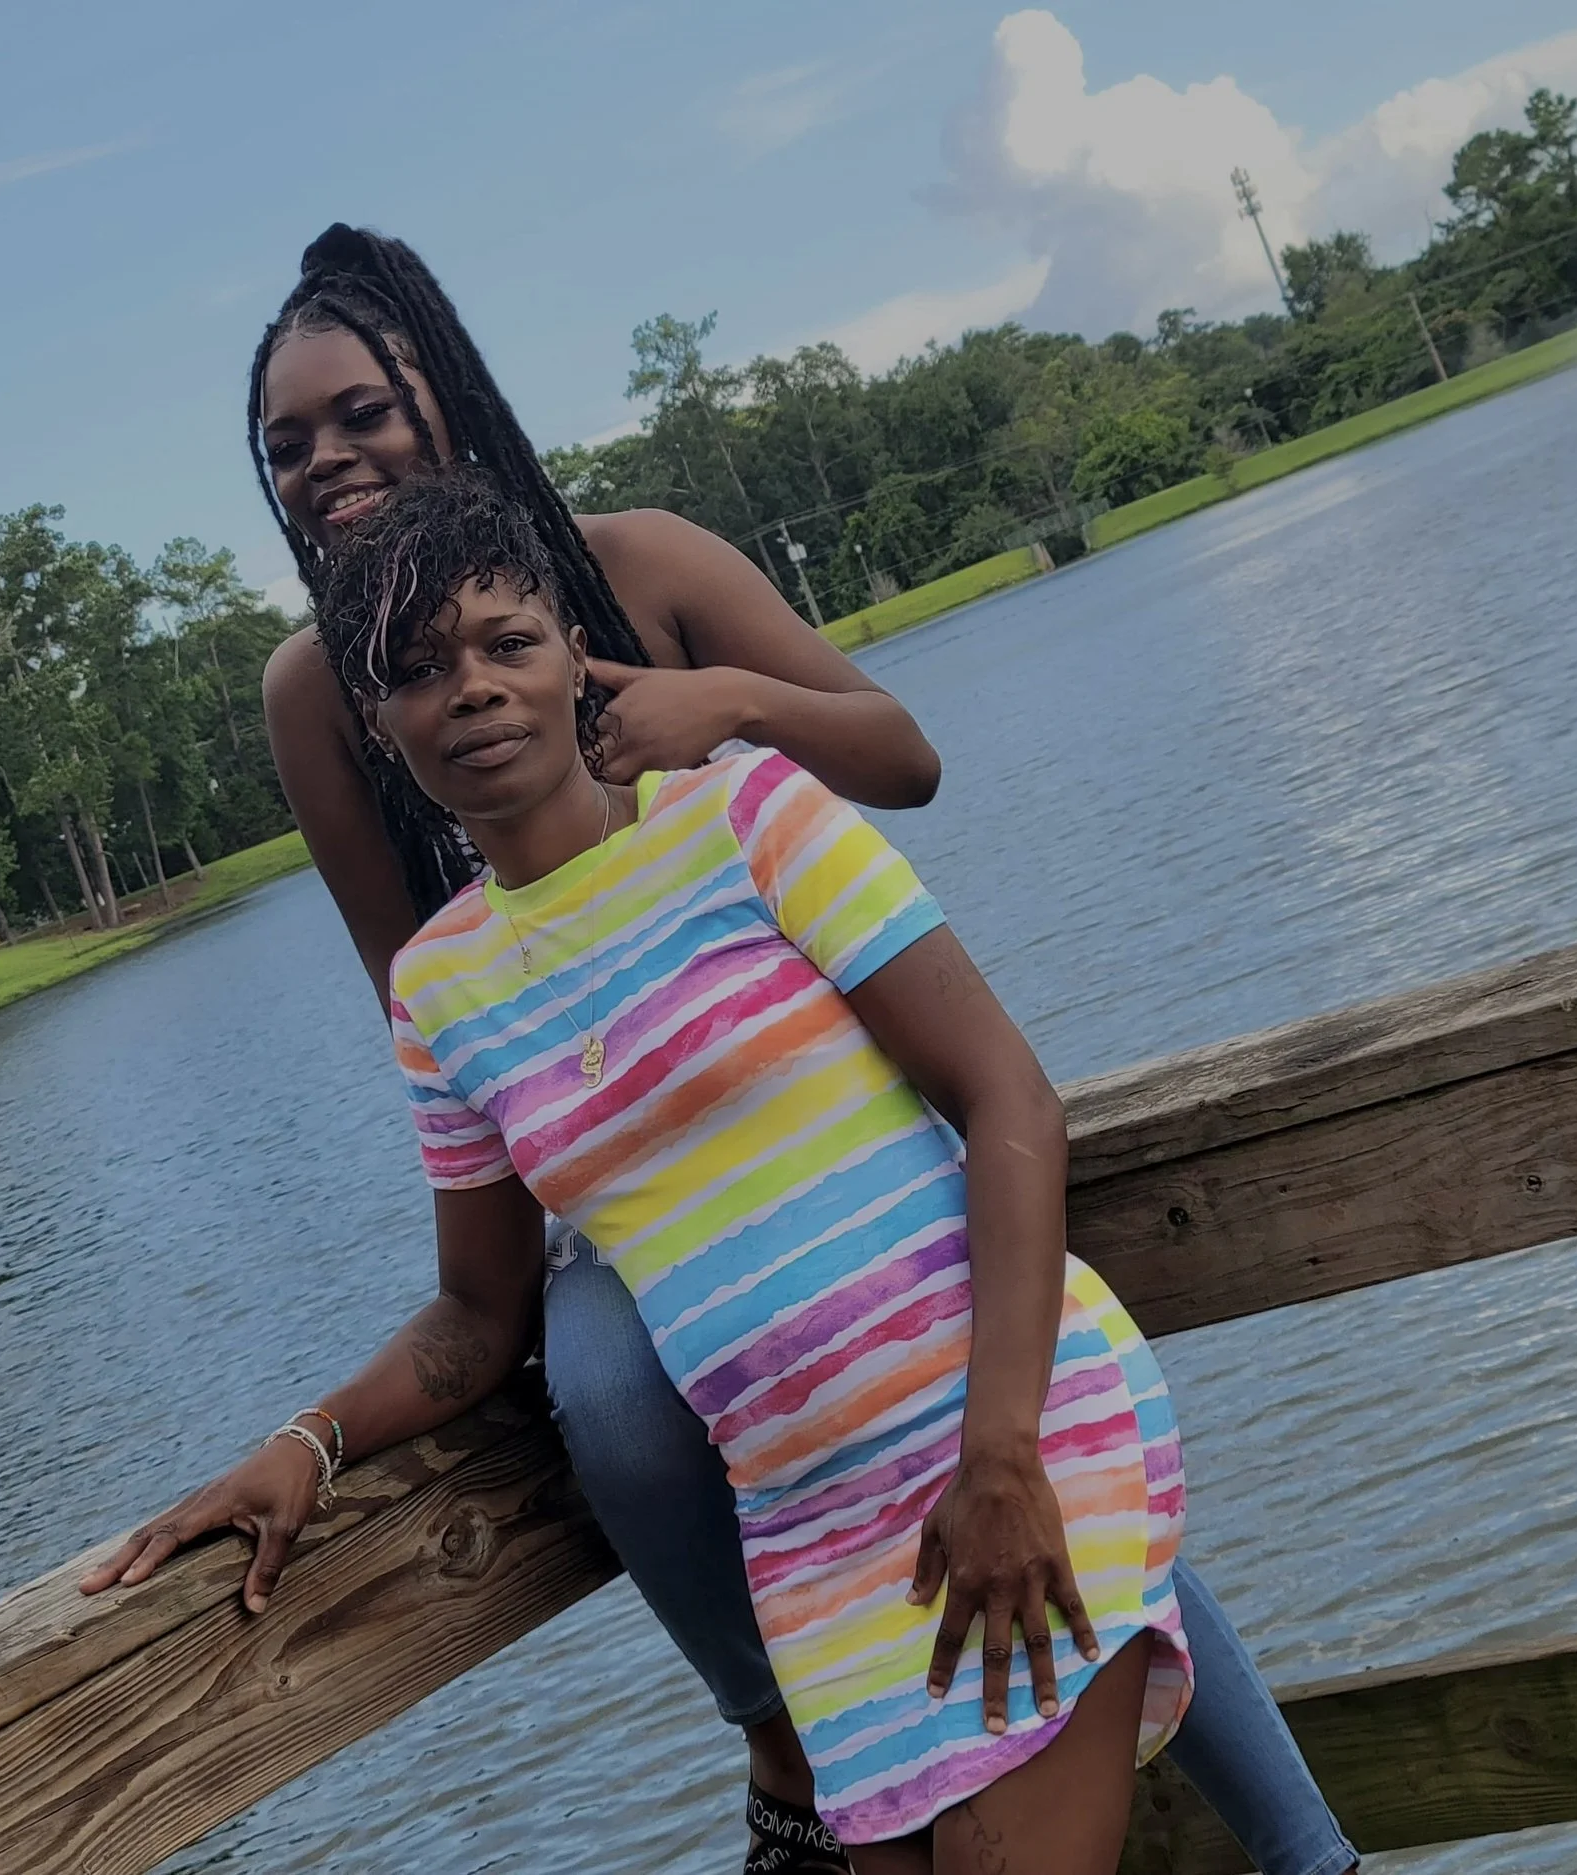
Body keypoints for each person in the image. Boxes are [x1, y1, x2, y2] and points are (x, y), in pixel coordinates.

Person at [228, 223, 1356, 1875]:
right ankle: (785, 1743)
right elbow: (422, 994)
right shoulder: (317, 700)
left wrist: (732, 707)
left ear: (442, 396)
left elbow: (904, 759)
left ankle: (1307, 1850)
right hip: (602, 1147)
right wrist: (320, 1423)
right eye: (288, 443)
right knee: (615, 1383)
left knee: (955, 1391)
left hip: (811, 1062)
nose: (327, 460)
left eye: (362, 413)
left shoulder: (647, 584)